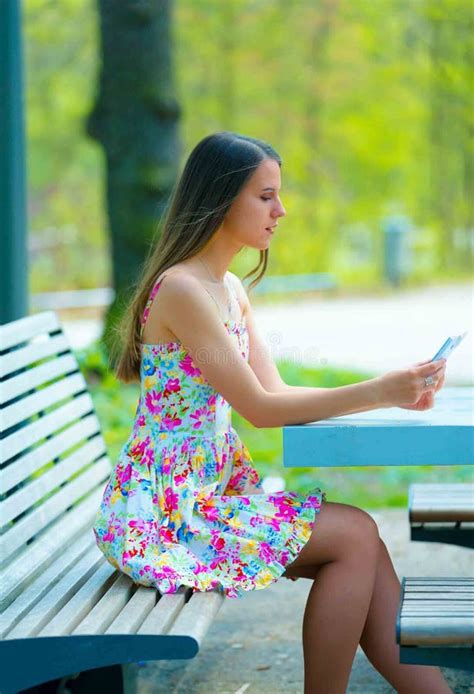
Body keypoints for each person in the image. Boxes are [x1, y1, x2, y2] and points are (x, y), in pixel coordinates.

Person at [93, 131, 451, 693]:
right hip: (165, 514)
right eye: (266, 196)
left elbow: (275, 388)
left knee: (364, 547)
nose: (280, 211)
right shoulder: (183, 290)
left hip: (206, 497)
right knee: (356, 534)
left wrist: (390, 388)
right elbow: (261, 409)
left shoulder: (228, 286)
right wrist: (381, 391)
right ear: (220, 197)